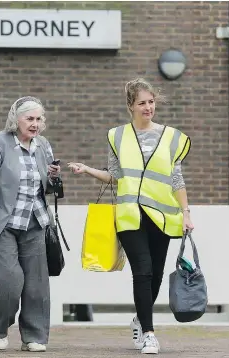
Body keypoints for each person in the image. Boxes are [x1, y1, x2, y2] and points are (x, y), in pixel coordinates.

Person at [68, 78, 194, 355]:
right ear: (130, 106)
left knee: (157, 275)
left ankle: (140, 318)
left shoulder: (173, 138)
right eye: (142, 103)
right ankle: (149, 334)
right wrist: (87, 169)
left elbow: (177, 179)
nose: (148, 107)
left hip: (163, 215)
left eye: (151, 102)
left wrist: (186, 213)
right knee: (143, 271)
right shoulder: (117, 136)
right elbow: (115, 175)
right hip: (130, 215)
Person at [0, 96, 61, 353]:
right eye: (30, 119)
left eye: (39, 119)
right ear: (16, 119)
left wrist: (54, 178)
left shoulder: (43, 146)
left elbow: (47, 187)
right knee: (10, 282)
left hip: (36, 222)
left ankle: (34, 336)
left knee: (36, 285)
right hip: (3, 224)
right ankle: (1, 326)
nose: (35, 124)